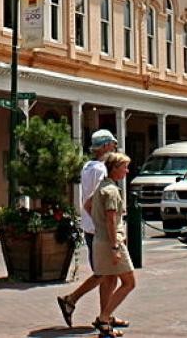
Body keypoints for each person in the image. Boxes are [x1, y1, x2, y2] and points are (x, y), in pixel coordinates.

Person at [57, 130, 127, 332]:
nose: (114, 148)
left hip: (91, 227)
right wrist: (106, 228)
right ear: (105, 146)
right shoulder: (100, 171)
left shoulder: (88, 167)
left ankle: (106, 315)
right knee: (104, 274)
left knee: (107, 275)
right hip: (99, 229)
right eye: (112, 145)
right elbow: (94, 201)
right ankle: (72, 300)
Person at [90, 152, 136, 338]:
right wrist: (115, 246)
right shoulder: (111, 191)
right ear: (115, 168)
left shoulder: (101, 187)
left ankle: (106, 321)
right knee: (129, 282)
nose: (127, 170)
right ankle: (104, 317)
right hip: (110, 241)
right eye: (124, 167)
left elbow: (87, 206)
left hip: (100, 239)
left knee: (110, 280)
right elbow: (110, 220)